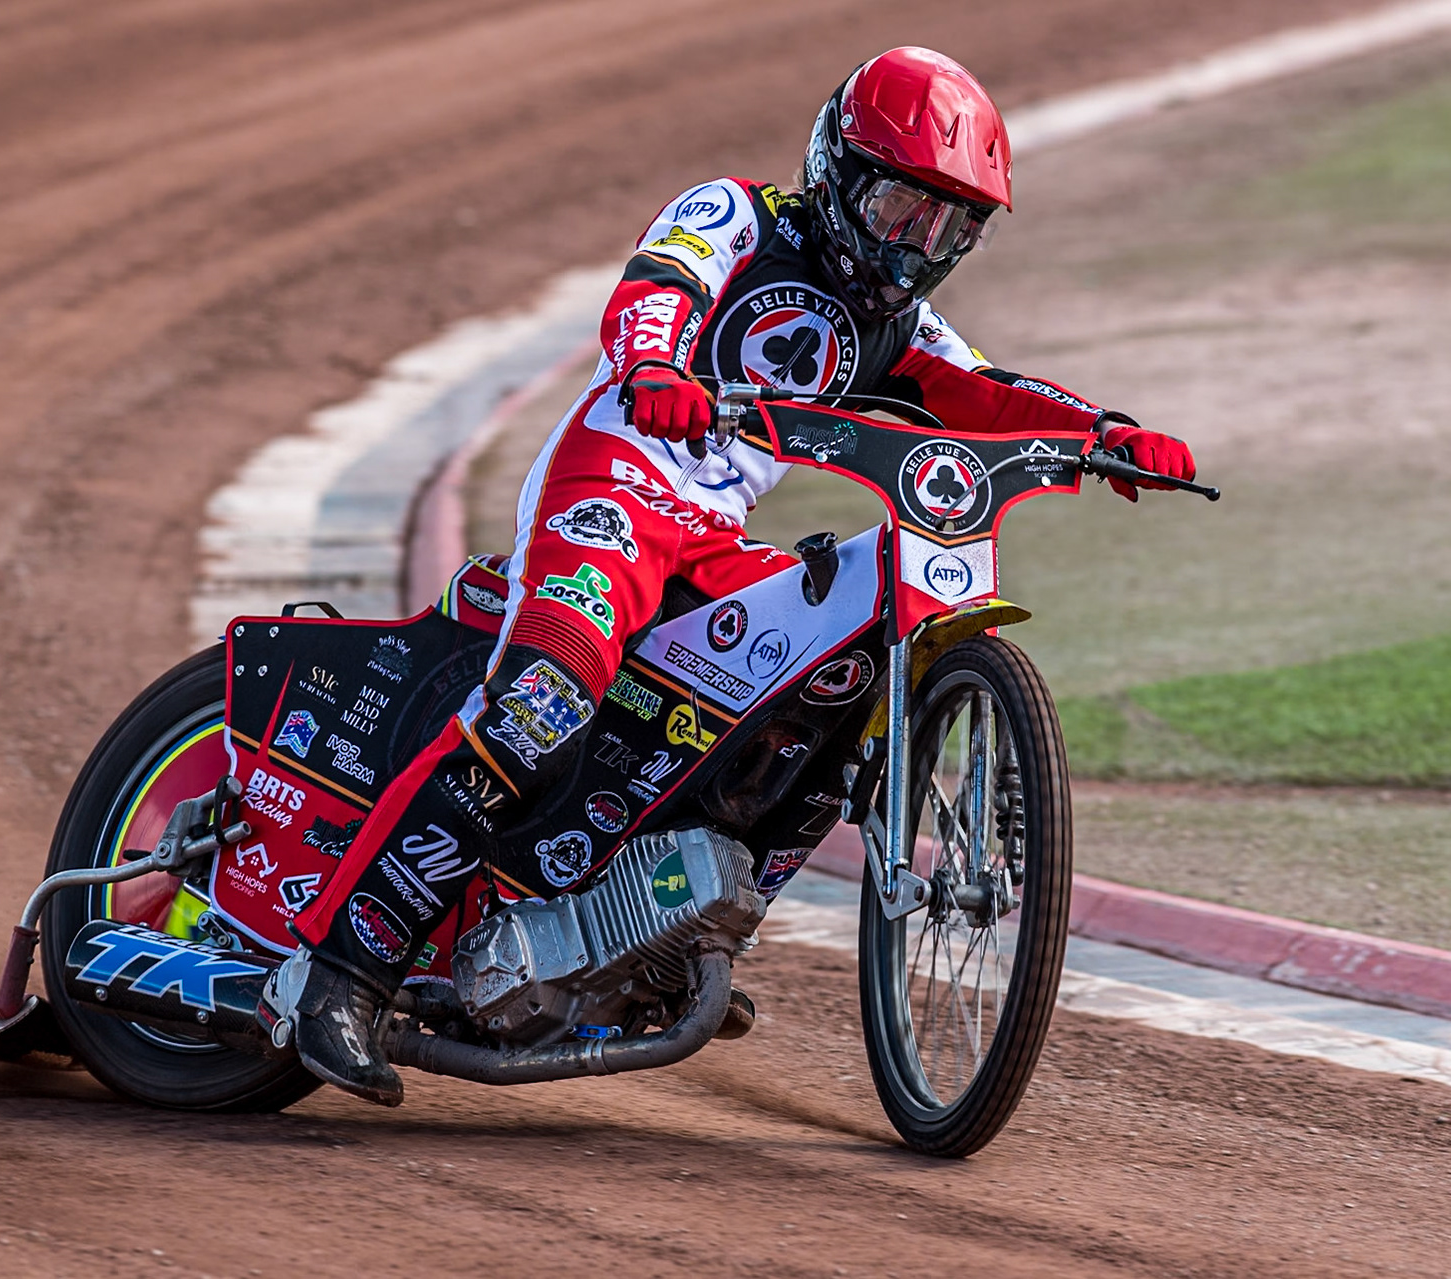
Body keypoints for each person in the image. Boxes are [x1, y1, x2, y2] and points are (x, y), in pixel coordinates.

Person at [278, 46, 1197, 1105]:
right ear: (840, 170)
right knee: (543, 701)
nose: (919, 245)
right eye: (905, 207)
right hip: (612, 487)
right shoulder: (739, 215)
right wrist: (657, 368)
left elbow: (986, 393)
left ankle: (664, 938)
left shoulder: (897, 325)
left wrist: (1105, 433)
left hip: (711, 534)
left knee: (827, 676)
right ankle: (342, 972)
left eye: (951, 228)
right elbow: (654, 286)